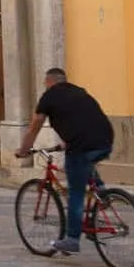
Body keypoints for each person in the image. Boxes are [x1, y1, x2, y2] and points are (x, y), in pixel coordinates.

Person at [14, 67, 115, 254]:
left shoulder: (49, 96)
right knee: (85, 162)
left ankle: (72, 239)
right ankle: (101, 190)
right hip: (105, 139)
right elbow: (82, 122)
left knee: (75, 192)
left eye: (45, 83)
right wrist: (64, 145)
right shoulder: (79, 91)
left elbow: (34, 127)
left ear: (49, 82)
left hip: (82, 145)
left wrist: (23, 150)